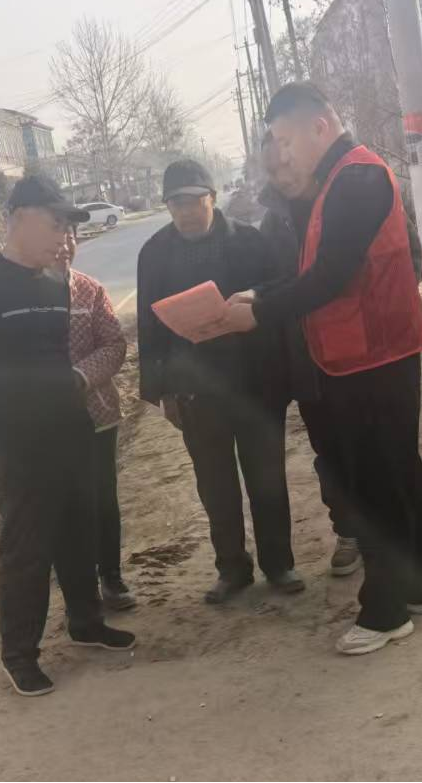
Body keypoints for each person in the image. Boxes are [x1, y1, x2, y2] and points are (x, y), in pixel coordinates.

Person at [224, 82, 422, 658]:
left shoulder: (356, 178)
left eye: (285, 140)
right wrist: (258, 294)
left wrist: (259, 314)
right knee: (397, 472)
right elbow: (311, 269)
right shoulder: (339, 181)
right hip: (369, 352)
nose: (282, 153)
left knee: (374, 485)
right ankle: (421, 586)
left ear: (319, 126)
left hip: (372, 354)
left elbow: (331, 276)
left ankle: (386, 610)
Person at [0, 175, 135, 698]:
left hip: (70, 429)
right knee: (27, 547)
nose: (64, 236)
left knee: (79, 532)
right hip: (18, 441)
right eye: (55, 223)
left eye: (69, 226)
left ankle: (86, 622)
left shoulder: (52, 282)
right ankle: (19, 655)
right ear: (19, 219)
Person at [136, 157, 302, 604]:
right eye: (176, 204)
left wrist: (255, 300)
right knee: (215, 485)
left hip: (255, 382)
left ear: (212, 198)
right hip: (196, 391)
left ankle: (279, 564)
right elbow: (149, 329)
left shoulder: (250, 241)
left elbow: (280, 296)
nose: (186, 211)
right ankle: (232, 568)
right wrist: (161, 391)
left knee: (267, 478)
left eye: (194, 201)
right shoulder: (155, 253)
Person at [258, 133, 361, 578]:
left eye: (286, 163)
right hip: (309, 364)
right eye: (272, 170)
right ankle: (349, 530)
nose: (282, 176)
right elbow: (269, 290)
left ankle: (389, 534)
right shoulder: (271, 226)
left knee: (371, 447)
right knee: (329, 452)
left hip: (361, 357)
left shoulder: (349, 198)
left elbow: (404, 260)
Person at [56, 227, 136, 612]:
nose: (65, 246)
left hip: (96, 414)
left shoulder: (89, 290)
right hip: (42, 423)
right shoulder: (15, 297)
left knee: (103, 498)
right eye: (56, 235)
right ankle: (78, 588)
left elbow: (114, 345)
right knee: (62, 504)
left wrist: (78, 377)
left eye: (70, 236)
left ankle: (111, 577)